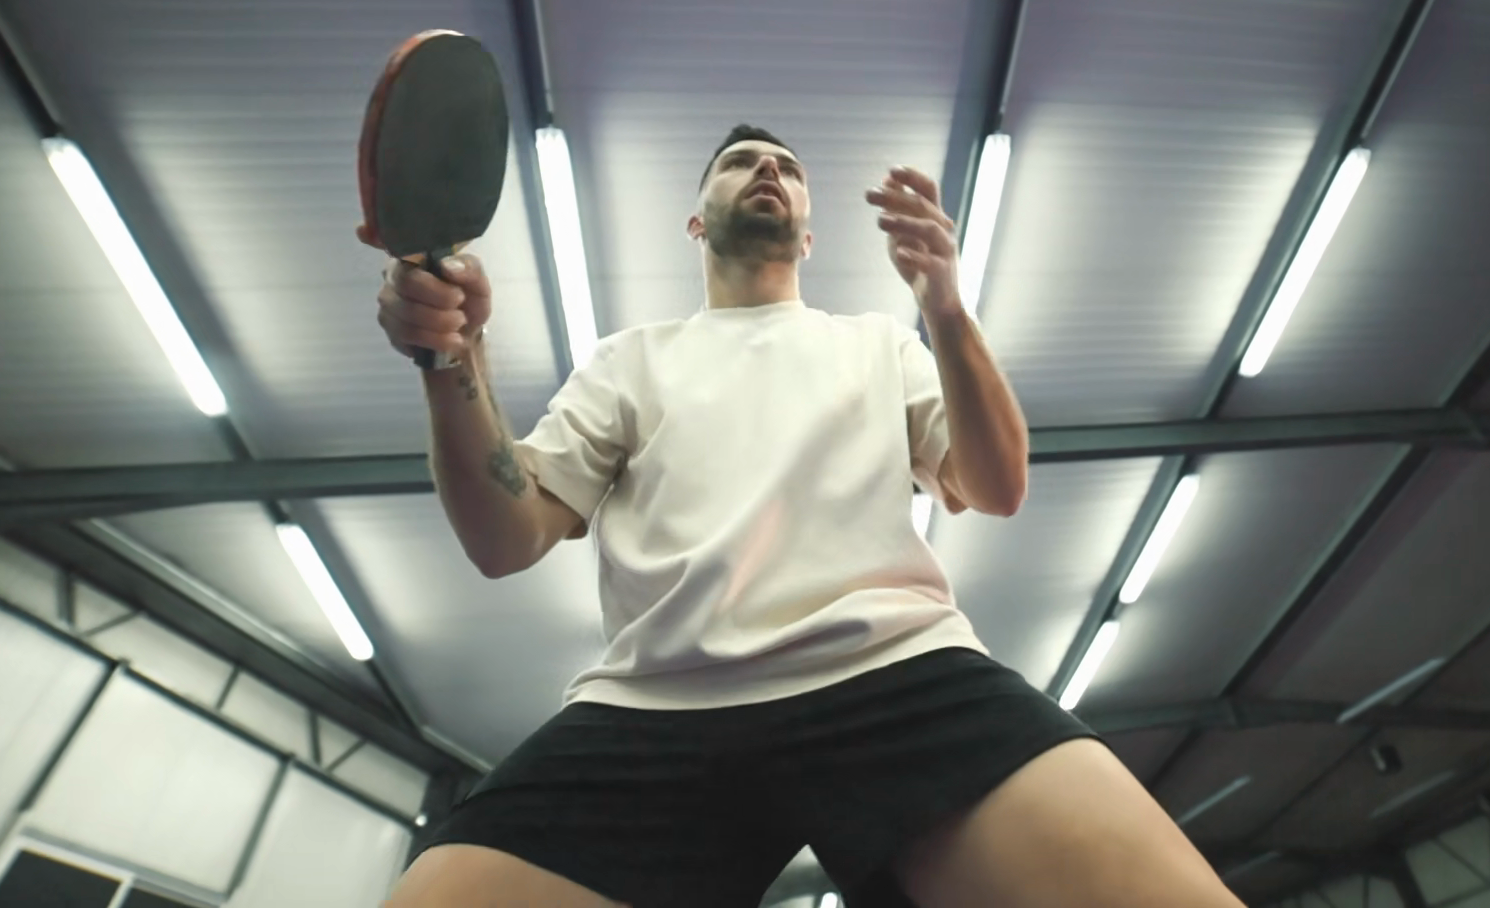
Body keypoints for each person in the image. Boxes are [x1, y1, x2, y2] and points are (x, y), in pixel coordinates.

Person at [375, 126, 1247, 907]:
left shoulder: (878, 344)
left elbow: (996, 484)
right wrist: (452, 357)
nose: (769, 172)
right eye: (742, 163)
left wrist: (944, 304)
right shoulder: (627, 361)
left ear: (809, 233)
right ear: (696, 222)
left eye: (788, 169)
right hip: (657, 701)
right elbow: (504, 537)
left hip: (898, 674)